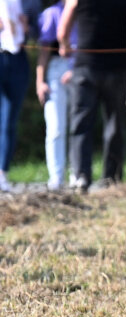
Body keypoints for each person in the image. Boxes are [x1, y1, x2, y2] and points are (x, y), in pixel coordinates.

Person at [59, 0, 126, 193]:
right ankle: (112, 178)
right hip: (117, 68)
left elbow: (63, 26)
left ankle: (81, 176)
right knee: (115, 123)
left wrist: (65, 45)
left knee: (81, 123)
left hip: (85, 66)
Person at [36, 1, 75, 190]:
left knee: (78, 125)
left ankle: (77, 173)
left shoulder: (87, 10)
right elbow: (44, 50)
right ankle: (56, 178)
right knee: (56, 127)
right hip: (56, 69)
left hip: (81, 68)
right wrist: (40, 80)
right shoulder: (52, 13)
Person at [0, 0, 30, 192]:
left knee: (9, 120)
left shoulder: (28, 3)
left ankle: (2, 172)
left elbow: (41, 31)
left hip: (18, 57)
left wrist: (26, 27)